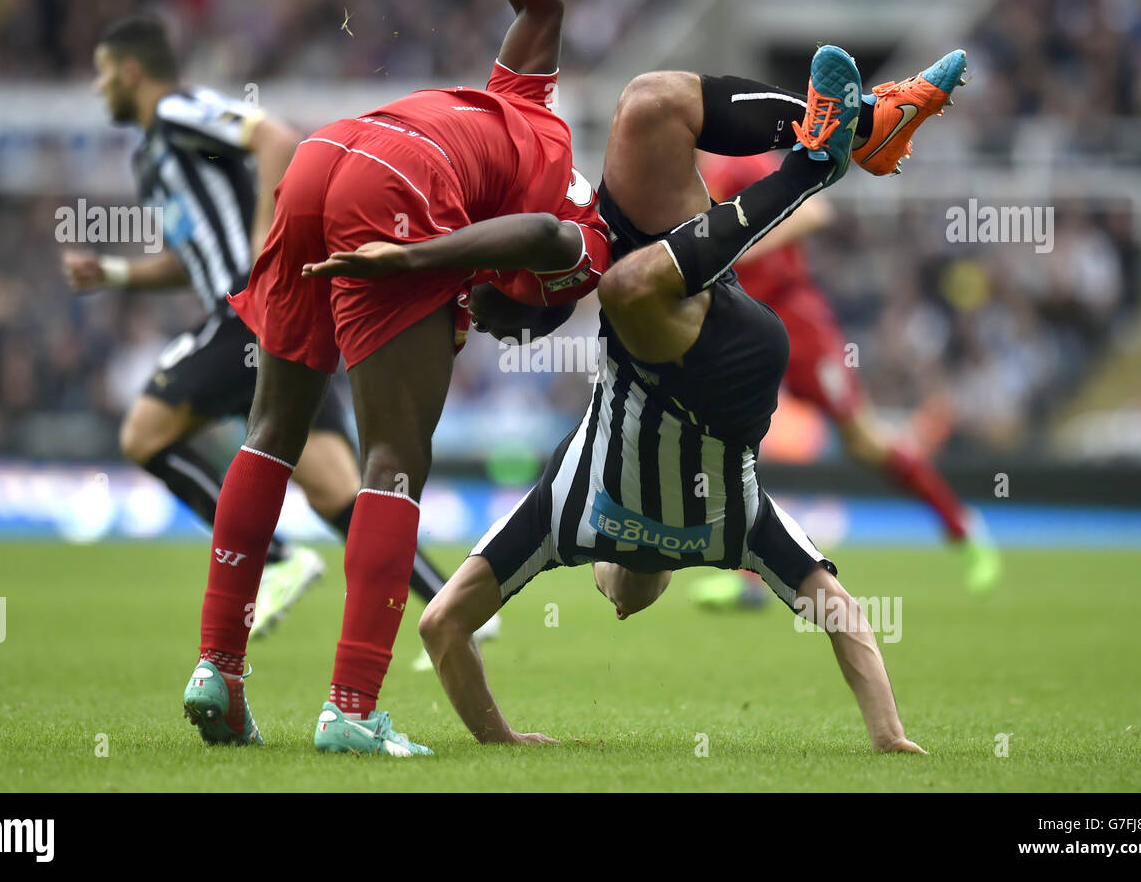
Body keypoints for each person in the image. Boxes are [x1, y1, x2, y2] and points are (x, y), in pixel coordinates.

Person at [408, 44, 968, 751]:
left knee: (652, 103)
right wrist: (888, 738)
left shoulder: (570, 518)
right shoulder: (722, 526)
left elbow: (441, 626)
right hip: (733, 364)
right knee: (624, 289)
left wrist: (505, 741)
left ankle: (867, 128)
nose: (621, 594)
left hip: (677, 306)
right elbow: (842, 613)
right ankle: (814, 167)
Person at [182, 0, 610, 756]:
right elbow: (538, 237)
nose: (486, 326)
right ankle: (351, 707)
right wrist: (416, 257)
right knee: (396, 458)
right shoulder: (578, 251)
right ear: (538, 306)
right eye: (502, 324)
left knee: (272, 430)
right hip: (402, 190)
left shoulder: (520, 100)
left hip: (325, 152)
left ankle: (218, 671)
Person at [68, 14, 461, 640]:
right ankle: (452, 608)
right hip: (260, 312)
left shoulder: (178, 112)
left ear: (131, 71)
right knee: (336, 492)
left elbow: (275, 138)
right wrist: (114, 274)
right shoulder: (151, 158)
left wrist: (261, 240)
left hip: (246, 312)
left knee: (144, 435)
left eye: (103, 73)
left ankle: (276, 560)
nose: (98, 87)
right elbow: (193, 257)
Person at [690, 148, 1002, 606]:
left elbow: (813, 212)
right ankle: (747, 579)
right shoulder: (697, 179)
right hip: (746, 323)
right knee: (725, 438)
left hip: (797, 322)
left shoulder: (739, 164)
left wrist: (738, 248)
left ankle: (960, 526)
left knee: (862, 439)